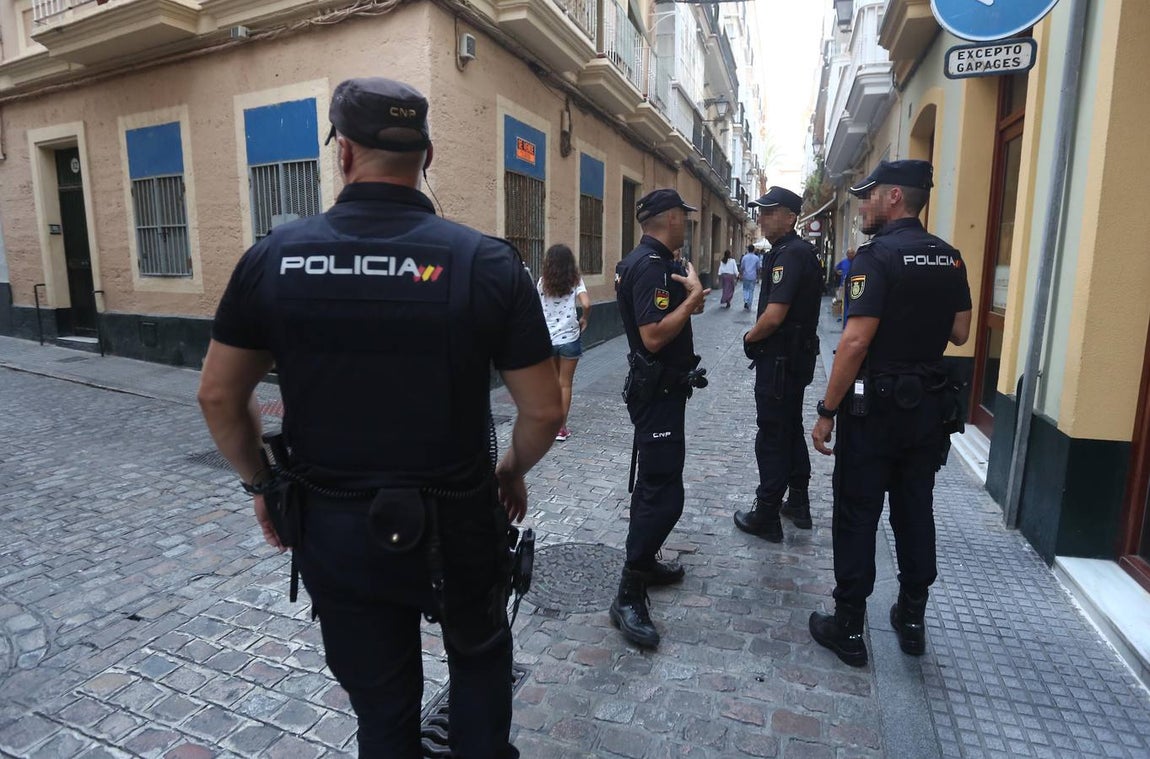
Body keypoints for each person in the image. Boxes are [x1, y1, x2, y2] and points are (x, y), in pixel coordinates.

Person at [197, 76, 563, 757]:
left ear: (344, 155)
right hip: (459, 522)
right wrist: (509, 470)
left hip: (335, 526)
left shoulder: (274, 259)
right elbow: (543, 408)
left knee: (383, 704)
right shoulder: (485, 262)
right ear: (426, 157)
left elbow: (219, 395)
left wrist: (263, 485)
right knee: (480, 658)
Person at [808, 160, 971, 667]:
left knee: (857, 514)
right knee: (915, 511)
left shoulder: (876, 258)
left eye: (869, 195)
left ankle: (850, 627)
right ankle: (913, 618)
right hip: (927, 409)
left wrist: (826, 410)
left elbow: (855, 341)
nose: (862, 204)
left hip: (874, 409)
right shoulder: (950, 258)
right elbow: (961, 333)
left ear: (895, 197)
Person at [612, 188, 709, 648]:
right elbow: (652, 337)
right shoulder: (650, 265)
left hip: (665, 392)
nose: (687, 222)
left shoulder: (654, 261)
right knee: (663, 492)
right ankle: (629, 591)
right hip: (658, 394)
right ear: (669, 217)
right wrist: (693, 297)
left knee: (655, 482)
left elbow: (677, 315)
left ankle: (645, 562)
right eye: (683, 216)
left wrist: (688, 292)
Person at [734, 187, 822, 541]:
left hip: (781, 360)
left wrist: (749, 338)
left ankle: (767, 512)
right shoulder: (797, 252)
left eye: (770, 212)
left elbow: (774, 316)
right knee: (789, 427)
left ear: (790, 217)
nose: (762, 217)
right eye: (761, 211)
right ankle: (797, 500)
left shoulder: (789, 254)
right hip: (794, 359)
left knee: (772, 433)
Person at [538, 243, 591, 442]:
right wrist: (585, 318)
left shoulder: (542, 282)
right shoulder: (575, 281)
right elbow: (586, 303)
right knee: (565, 384)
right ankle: (561, 428)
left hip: (548, 339)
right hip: (569, 338)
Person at [835, 247, 857, 321]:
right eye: (849, 253)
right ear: (847, 254)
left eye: (852, 253)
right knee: (844, 303)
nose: (850, 255)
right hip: (844, 285)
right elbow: (836, 268)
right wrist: (840, 273)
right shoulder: (844, 262)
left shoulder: (856, 262)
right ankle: (844, 318)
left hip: (854, 285)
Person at [739, 244, 762, 310]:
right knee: (751, 290)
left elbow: (742, 267)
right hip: (753, 276)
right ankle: (749, 303)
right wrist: (758, 277)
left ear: (748, 249)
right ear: (753, 250)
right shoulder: (756, 258)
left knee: (745, 289)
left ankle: (746, 301)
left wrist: (740, 275)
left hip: (746, 275)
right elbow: (758, 268)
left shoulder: (744, 257)